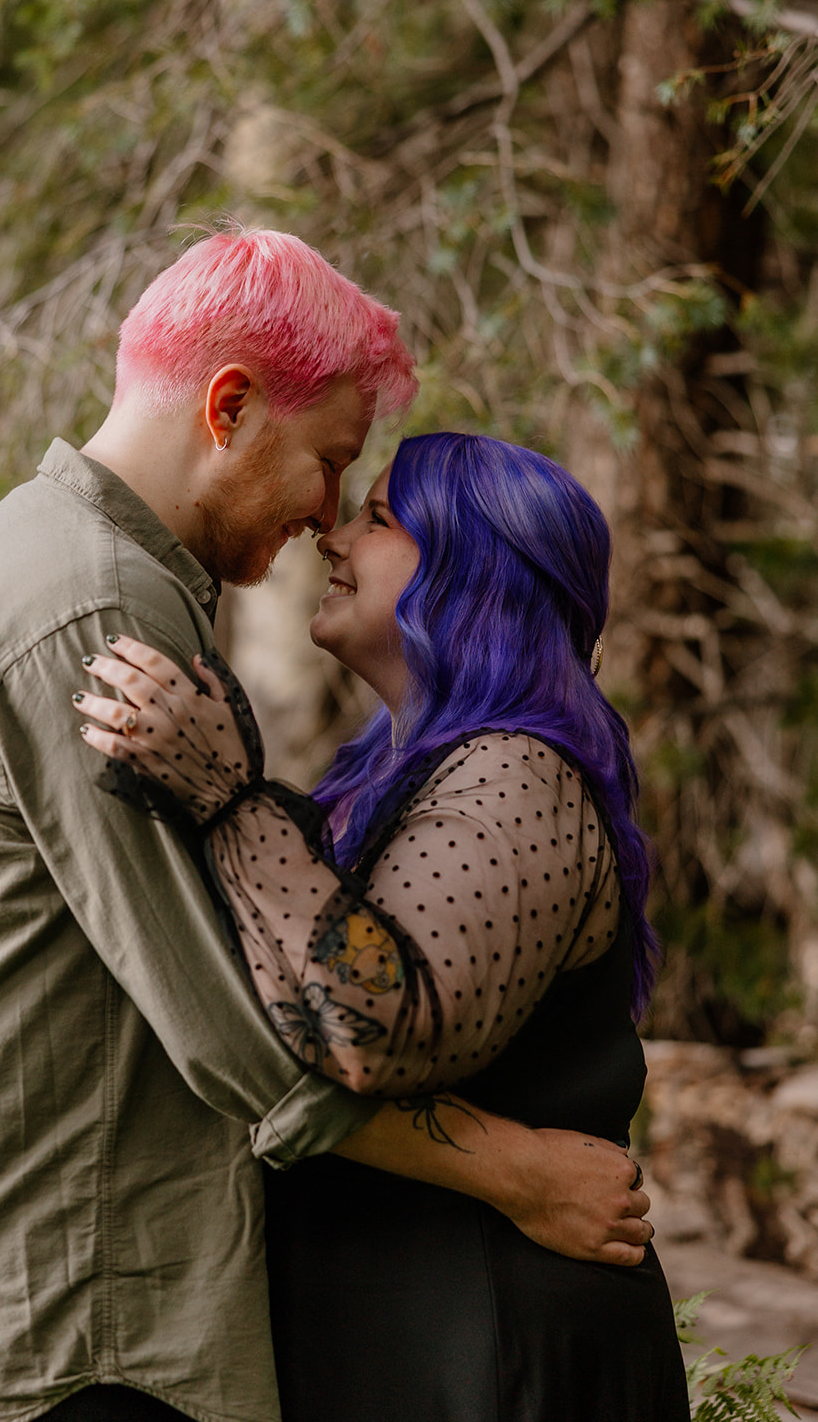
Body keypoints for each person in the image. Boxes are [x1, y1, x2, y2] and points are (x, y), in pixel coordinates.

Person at [0, 231, 652, 1422]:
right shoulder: (96, 601)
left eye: (364, 499)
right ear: (229, 406)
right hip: (57, 1311)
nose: (325, 518)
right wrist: (514, 1169)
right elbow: (236, 1026)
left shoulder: (98, 574)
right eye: (330, 466)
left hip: (71, 1296)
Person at [73, 430, 690, 1422]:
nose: (332, 533)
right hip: (415, 1330)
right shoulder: (402, 777)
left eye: (379, 516)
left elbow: (374, 1025)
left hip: (490, 1345)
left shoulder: (515, 774)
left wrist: (229, 802)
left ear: (471, 572)